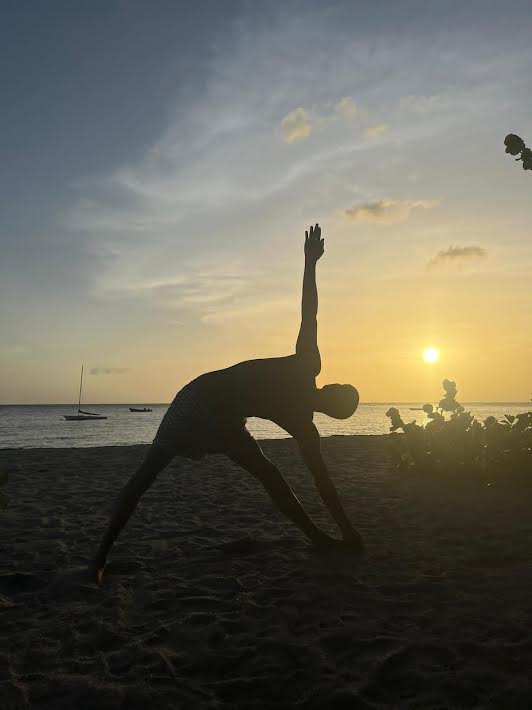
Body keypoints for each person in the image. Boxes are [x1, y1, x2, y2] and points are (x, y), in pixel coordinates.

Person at [91, 224, 362, 583]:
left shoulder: (305, 424)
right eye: (341, 392)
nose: (333, 393)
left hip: (226, 420)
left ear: (334, 406)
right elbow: (309, 311)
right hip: (198, 400)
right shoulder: (306, 366)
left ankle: (319, 539)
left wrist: (349, 532)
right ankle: (99, 557)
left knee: (270, 476)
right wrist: (310, 262)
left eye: (339, 399)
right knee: (148, 473)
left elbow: (323, 483)